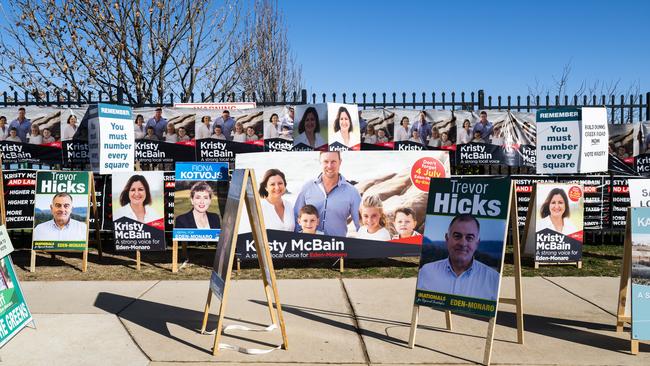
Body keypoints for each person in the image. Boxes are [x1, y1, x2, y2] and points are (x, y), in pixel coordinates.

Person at [416, 214, 500, 300]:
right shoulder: (426, 272)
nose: (463, 243)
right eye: (457, 236)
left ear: (477, 243)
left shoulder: (494, 279)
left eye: (469, 238)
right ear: (447, 238)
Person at [294, 151, 361, 237]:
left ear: (340, 162)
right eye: (326, 162)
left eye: (333, 162)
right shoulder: (307, 187)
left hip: (336, 247)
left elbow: (360, 225)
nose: (329, 166)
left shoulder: (352, 192)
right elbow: (296, 218)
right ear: (320, 162)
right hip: (309, 246)